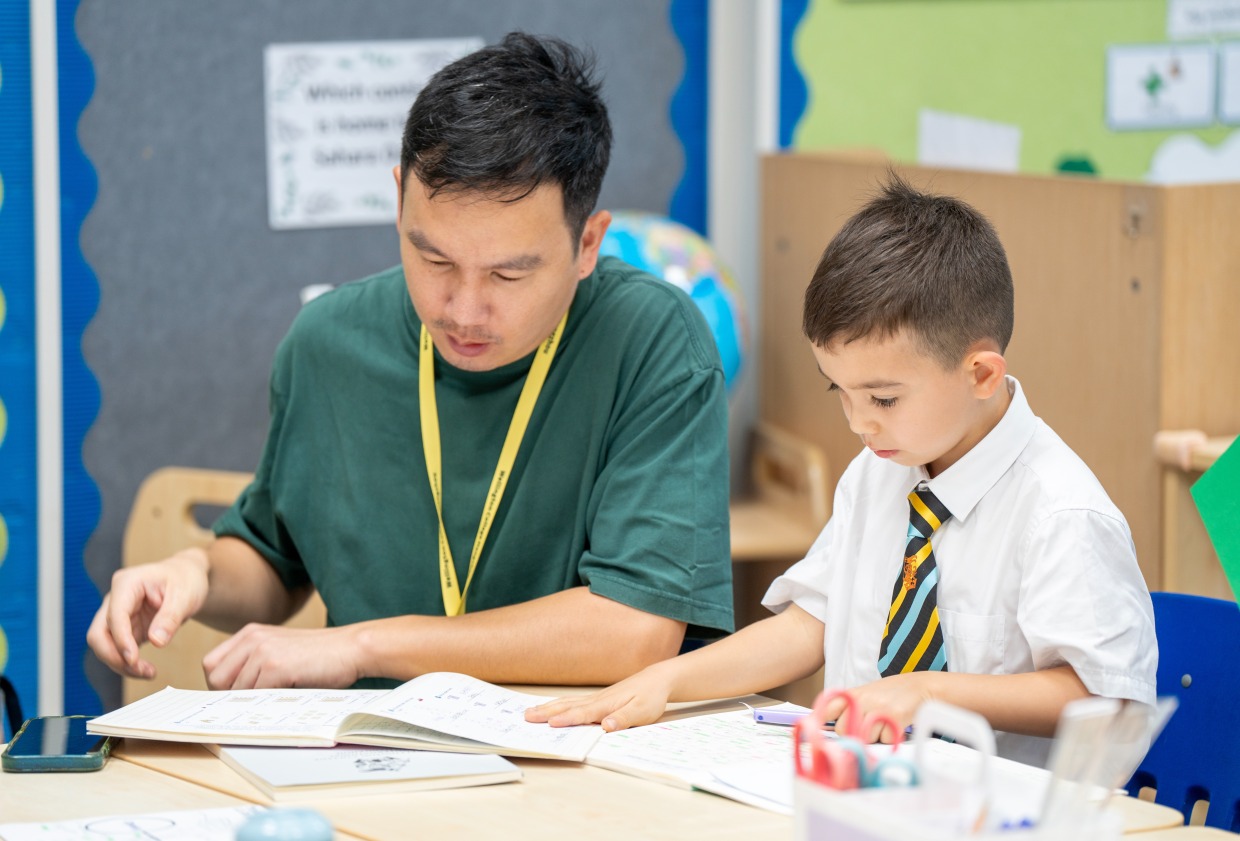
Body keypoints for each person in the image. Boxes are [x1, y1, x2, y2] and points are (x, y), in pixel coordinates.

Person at [87, 32, 734, 692]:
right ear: (399, 202)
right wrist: (196, 573)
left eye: (509, 275)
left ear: (588, 242)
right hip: (371, 758)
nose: (464, 309)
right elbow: (273, 563)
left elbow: (635, 632)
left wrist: (364, 645)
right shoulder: (327, 343)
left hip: (572, 761)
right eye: (435, 260)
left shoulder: (653, 341)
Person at [528, 176, 1157, 765]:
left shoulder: (1061, 513)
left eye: (883, 399)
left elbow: (1109, 697)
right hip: (863, 798)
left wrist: (928, 692)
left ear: (982, 375)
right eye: (840, 392)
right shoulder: (880, 471)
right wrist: (669, 679)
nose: (860, 423)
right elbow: (810, 623)